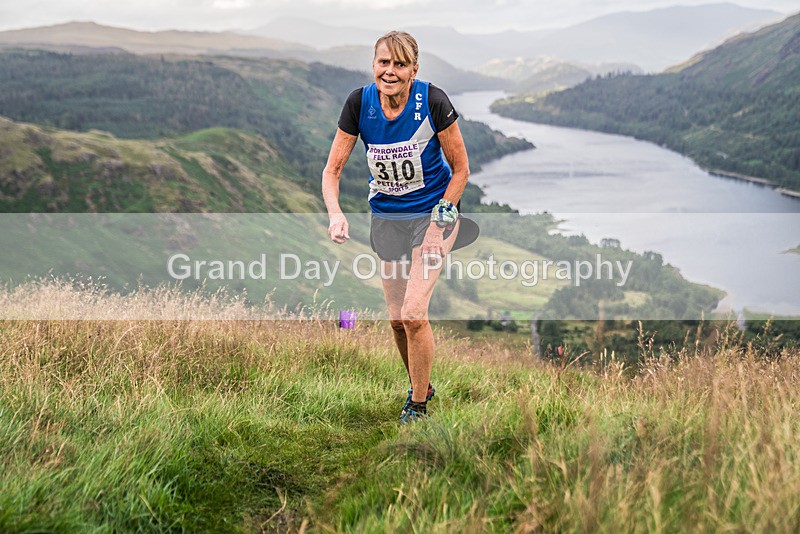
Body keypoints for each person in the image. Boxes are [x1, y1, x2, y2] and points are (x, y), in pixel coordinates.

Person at [321, 30, 475, 424]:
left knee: (413, 314)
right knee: (395, 319)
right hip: (387, 218)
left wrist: (439, 228)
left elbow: (461, 170)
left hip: (433, 214)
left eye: (400, 64)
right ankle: (419, 386)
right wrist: (336, 213)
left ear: (413, 69)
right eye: (383, 63)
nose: (390, 72)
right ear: (374, 65)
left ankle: (418, 407)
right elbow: (332, 170)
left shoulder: (433, 101)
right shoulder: (359, 103)